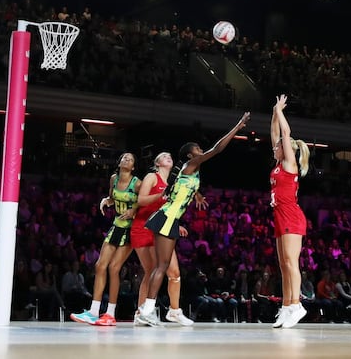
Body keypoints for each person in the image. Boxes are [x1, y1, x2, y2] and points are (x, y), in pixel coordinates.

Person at [137, 112, 251, 326]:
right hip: (167, 218)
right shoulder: (191, 165)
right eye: (197, 150)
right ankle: (147, 310)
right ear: (190, 156)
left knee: (168, 270)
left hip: (170, 218)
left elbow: (184, 187)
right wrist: (237, 128)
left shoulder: (190, 172)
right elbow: (216, 149)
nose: (201, 151)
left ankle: (170, 311)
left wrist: (197, 195)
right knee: (161, 267)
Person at [71, 152, 140, 326]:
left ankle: (110, 314)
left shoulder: (137, 183)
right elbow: (112, 198)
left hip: (131, 228)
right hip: (116, 225)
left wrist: (134, 210)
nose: (127, 160)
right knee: (100, 266)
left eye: (130, 159)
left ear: (133, 167)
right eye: (124, 157)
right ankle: (93, 311)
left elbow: (145, 202)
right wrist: (106, 201)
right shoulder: (113, 179)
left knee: (114, 268)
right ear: (119, 161)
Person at [132, 151, 193, 326]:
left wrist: (177, 224)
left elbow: (169, 209)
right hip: (144, 227)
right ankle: (141, 312)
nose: (168, 157)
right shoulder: (152, 177)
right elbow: (141, 200)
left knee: (174, 273)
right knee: (152, 271)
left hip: (163, 228)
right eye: (164, 156)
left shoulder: (174, 183)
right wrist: (161, 195)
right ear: (157, 163)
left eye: (170, 156)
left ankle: (174, 311)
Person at [268, 94, 311, 329]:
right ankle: (286, 307)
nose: (274, 147)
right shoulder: (277, 164)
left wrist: (281, 112)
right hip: (279, 216)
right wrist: (274, 112)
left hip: (291, 216)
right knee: (283, 263)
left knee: (291, 262)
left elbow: (284, 135)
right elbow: (275, 133)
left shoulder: (289, 164)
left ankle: (296, 304)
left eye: (278, 147)